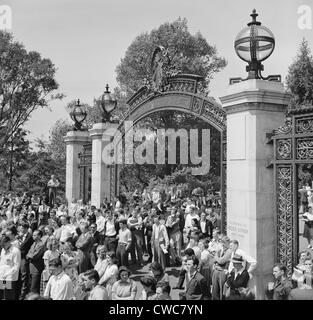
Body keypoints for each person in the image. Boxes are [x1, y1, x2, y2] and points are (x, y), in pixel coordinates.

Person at [0, 235, 21, 300]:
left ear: (9, 242)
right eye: (2, 245)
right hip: (2, 276)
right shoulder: (3, 250)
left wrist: (7, 274)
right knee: (3, 295)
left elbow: (16, 266)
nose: (3, 247)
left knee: (9, 295)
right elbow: (2, 263)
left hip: (10, 277)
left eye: (4, 245)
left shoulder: (15, 251)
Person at [211, 236, 232, 300]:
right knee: (215, 290)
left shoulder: (229, 251)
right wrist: (217, 258)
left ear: (228, 243)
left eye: (224, 243)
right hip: (216, 271)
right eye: (222, 243)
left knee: (221, 290)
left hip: (222, 272)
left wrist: (216, 257)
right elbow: (214, 260)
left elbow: (221, 261)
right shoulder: (221, 249)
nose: (223, 244)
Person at [17, 222, 33, 300]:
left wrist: (18, 244)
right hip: (19, 257)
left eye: (22, 228)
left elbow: (22, 247)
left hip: (24, 258)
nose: (21, 229)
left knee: (24, 276)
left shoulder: (29, 236)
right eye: (20, 228)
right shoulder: (21, 236)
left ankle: (23, 295)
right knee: (20, 276)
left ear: (26, 228)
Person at [26, 229, 46, 294]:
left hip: (36, 269)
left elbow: (35, 256)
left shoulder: (41, 245)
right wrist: (30, 255)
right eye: (33, 235)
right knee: (30, 287)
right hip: (31, 268)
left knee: (33, 288)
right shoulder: (34, 243)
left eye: (35, 235)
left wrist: (30, 255)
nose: (33, 236)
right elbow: (28, 253)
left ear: (39, 236)